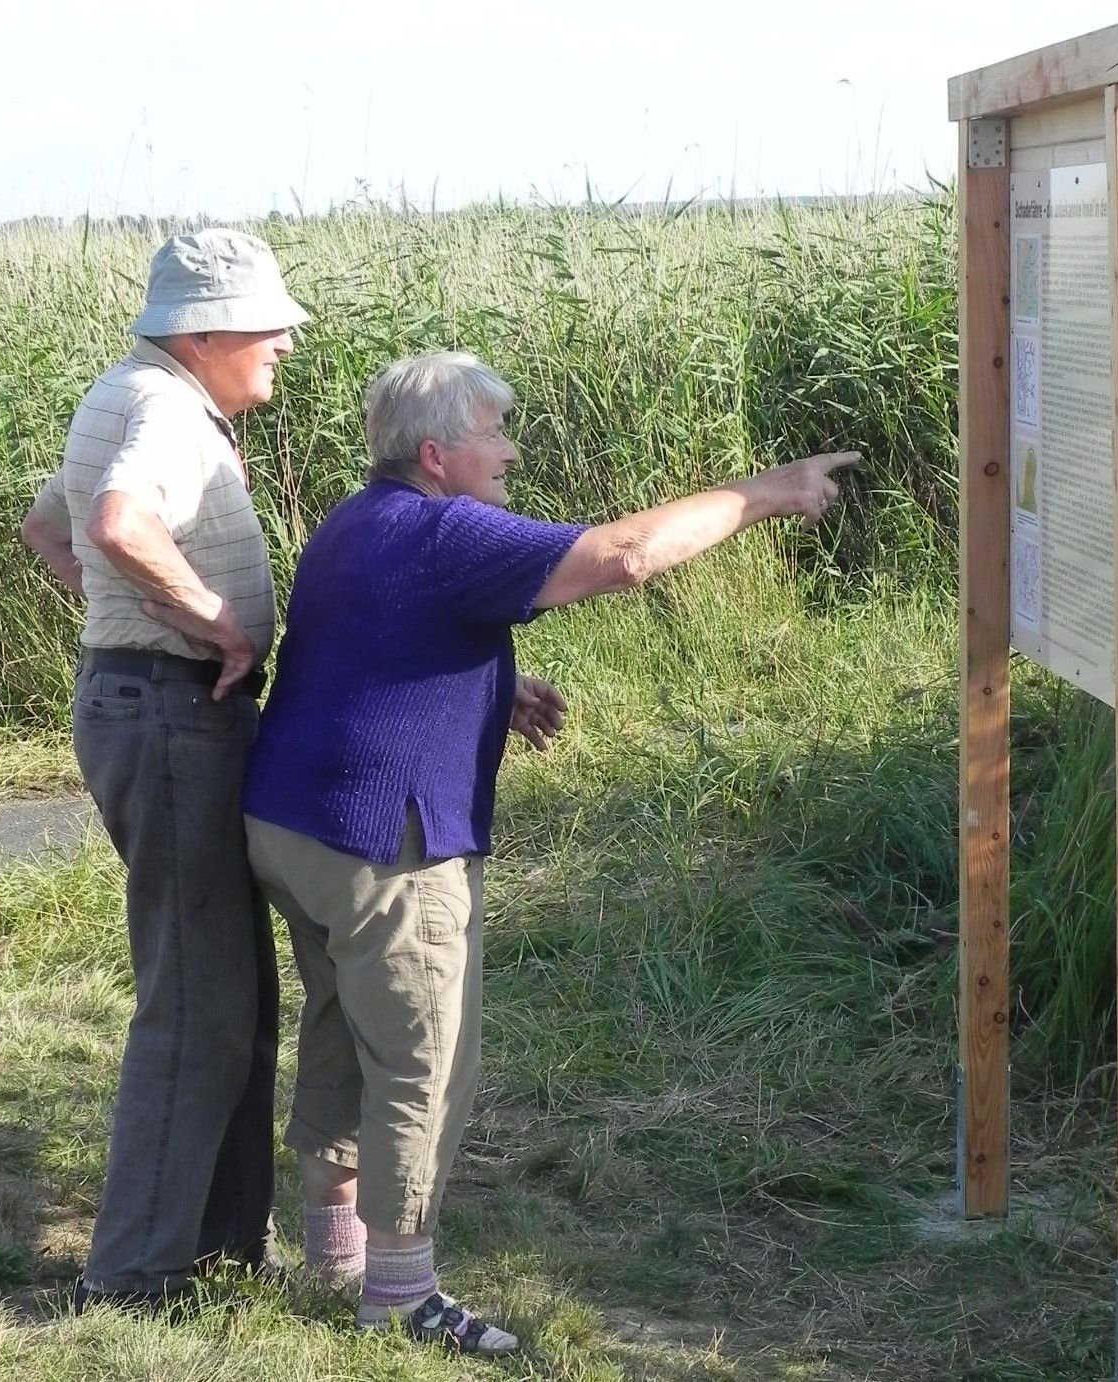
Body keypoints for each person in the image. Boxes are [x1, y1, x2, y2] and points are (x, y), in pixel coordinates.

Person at [236, 350, 856, 1356]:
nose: (510, 448)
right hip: (382, 841)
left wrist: (490, 690)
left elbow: (369, 648)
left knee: (348, 1030)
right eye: (494, 433)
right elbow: (624, 557)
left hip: (295, 823)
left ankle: (336, 1254)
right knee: (422, 1060)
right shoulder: (443, 530)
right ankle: (397, 1296)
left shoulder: (358, 521)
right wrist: (765, 492)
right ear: (436, 455)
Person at [19, 228, 308, 1310]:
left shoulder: (130, 393)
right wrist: (212, 624)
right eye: (267, 324)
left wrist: (123, 631)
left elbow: (46, 531)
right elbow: (110, 522)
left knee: (230, 987)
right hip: (173, 715)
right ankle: (134, 1271)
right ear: (206, 331)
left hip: (154, 700)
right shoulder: (164, 411)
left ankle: (223, 1244)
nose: (283, 341)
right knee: (195, 999)